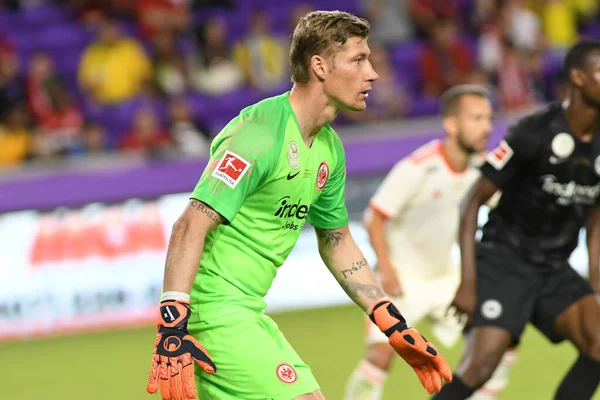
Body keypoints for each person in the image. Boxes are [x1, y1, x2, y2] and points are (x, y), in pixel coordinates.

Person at [145, 10, 452, 400]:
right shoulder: (261, 131)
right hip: (213, 315)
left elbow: (336, 240)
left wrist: (391, 322)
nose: (372, 73)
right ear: (319, 66)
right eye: (358, 60)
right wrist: (172, 326)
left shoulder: (330, 149)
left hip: (248, 314)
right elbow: (189, 225)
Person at [433, 40, 600, 399]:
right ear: (578, 78)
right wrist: (468, 282)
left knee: (598, 344)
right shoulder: (533, 133)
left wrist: (597, 284)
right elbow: (471, 203)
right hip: (505, 260)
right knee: (480, 366)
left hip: (552, 267)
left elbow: (596, 221)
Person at [345, 85, 517, 400]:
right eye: (476, 118)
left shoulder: (481, 169)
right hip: (402, 278)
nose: (487, 127)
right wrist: (386, 268)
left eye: (488, 118)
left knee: (500, 338)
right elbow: (375, 218)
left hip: (445, 278)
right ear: (452, 125)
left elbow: (510, 210)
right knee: (380, 357)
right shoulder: (418, 167)